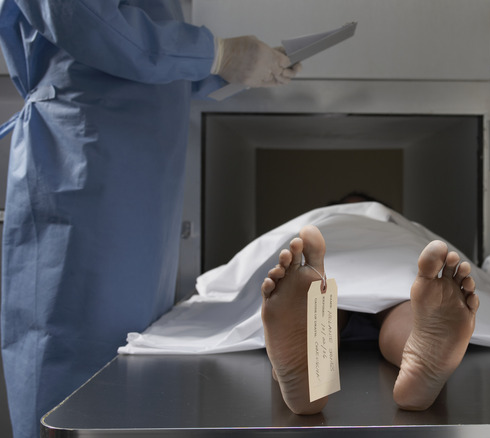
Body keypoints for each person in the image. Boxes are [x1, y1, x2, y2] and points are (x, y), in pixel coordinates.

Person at [0, 2, 300, 437]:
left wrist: (231, 69)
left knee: (132, 350)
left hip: (137, 172)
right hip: (85, 160)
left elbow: (146, 57)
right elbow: (89, 22)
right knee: (73, 354)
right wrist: (215, 54)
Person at [261, 224, 479, 413]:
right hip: (389, 280)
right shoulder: (389, 225)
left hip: (354, 280)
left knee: (327, 311)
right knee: (399, 305)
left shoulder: (388, 223)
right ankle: (419, 361)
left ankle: (309, 360)